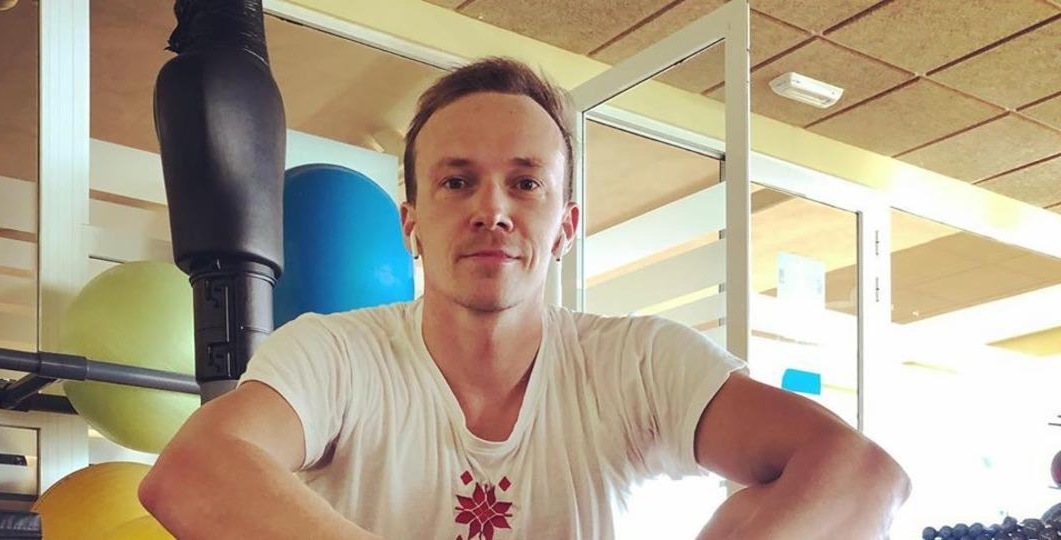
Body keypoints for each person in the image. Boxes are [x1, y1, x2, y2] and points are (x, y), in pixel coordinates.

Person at [139, 57, 910, 539]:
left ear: (564, 226)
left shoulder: (638, 360)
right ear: (411, 223)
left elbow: (864, 474)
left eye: (526, 183)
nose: (492, 210)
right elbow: (191, 470)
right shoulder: (334, 352)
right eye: (456, 181)